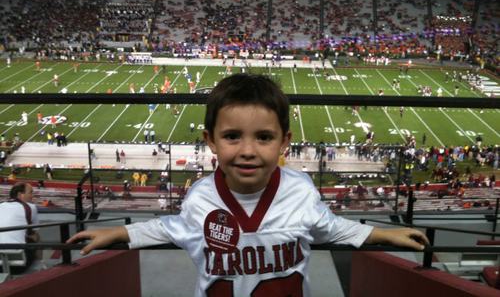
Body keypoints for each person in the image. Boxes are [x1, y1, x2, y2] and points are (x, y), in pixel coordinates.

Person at [67, 74, 428, 296]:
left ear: (284, 141)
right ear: (210, 140)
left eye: (264, 137)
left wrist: (382, 235)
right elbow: (170, 227)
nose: (248, 151)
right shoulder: (201, 197)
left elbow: (329, 227)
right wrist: (117, 233)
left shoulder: (300, 189)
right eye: (233, 136)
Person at [0, 183, 40, 273]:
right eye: (30, 193)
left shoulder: (0, 206)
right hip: (18, 264)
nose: (32, 196)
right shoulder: (30, 207)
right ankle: (40, 263)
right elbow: (34, 235)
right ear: (20, 194)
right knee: (36, 237)